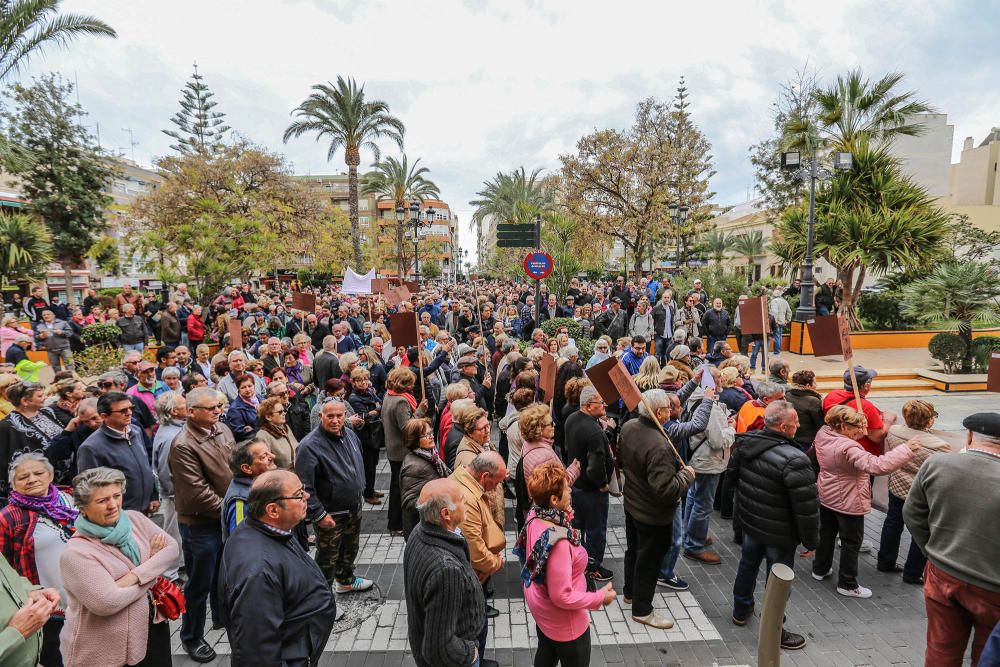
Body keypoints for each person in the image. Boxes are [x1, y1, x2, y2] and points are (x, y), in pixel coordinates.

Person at [904, 412, 1000, 666]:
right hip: (992, 584)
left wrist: (932, 550)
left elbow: (912, 512)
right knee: (988, 653)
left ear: (969, 436)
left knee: (941, 649)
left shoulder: (937, 464)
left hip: (942, 572)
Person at [59, 467, 179, 667]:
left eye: (116, 496)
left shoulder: (134, 519)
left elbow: (172, 549)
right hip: (109, 649)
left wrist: (133, 577)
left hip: (152, 627)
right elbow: (107, 602)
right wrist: (151, 564)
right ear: (82, 508)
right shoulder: (76, 554)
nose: (113, 505)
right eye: (102, 500)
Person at [725, 400, 817, 649]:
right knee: (778, 580)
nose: (799, 425)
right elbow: (806, 508)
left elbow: (730, 480)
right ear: (784, 427)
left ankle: (740, 610)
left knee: (748, 564)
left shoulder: (745, 443)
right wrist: (810, 541)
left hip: (751, 522)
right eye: (795, 421)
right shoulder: (796, 459)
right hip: (780, 532)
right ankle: (774, 629)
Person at [218, 469, 335, 665]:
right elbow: (257, 651)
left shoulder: (270, 530)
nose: (306, 496)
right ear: (273, 510)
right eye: (299, 494)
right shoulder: (258, 571)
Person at [811, 405, 916, 598]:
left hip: (827, 494)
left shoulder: (824, 434)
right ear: (842, 426)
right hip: (849, 500)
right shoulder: (848, 447)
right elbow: (877, 465)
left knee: (826, 534)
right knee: (851, 542)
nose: (861, 431)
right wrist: (905, 450)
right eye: (856, 427)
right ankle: (847, 584)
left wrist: (857, 432)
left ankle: (820, 569)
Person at [517, 462, 615, 667]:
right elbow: (561, 595)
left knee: (546, 653)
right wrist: (598, 598)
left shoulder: (536, 514)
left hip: (542, 611)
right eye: (566, 488)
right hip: (566, 624)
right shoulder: (559, 544)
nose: (570, 490)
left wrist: (564, 518)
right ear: (554, 499)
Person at [617, 389, 694, 629]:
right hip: (653, 514)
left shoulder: (629, 427)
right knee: (648, 561)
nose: (671, 412)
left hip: (633, 504)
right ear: (659, 412)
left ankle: (630, 593)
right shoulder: (659, 445)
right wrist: (686, 476)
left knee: (634, 552)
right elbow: (665, 490)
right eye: (669, 409)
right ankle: (642, 609)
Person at [169, 387, 235, 663]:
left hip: (223, 519)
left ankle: (222, 618)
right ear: (191, 412)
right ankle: (191, 636)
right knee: (198, 584)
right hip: (200, 526)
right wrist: (232, 511)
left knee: (224, 575)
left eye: (218, 406)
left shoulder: (221, 429)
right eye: (211, 408)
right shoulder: (183, 444)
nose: (217, 411)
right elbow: (197, 493)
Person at [0, 453, 76, 667]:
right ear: (13, 485)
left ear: (51, 475)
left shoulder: (70, 499)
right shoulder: (9, 517)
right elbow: (4, 568)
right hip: (51, 606)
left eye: (38, 473)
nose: (32, 479)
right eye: (23, 477)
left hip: (87, 598)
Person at [404, 478, 488, 667]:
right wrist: (470, 653)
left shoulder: (419, 531)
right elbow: (438, 649)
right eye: (460, 499)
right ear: (445, 514)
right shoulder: (446, 569)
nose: (466, 500)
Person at [295, 399, 373, 593]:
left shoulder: (350, 435)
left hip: (353, 507)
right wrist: (319, 515)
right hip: (331, 513)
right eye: (330, 416)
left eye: (339, 415)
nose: (335, 420)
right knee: (327, 558)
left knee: (350, 549)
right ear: (321, 416)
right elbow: (304, 487)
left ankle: (346, 580)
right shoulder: (309, 446)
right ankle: (322, 597)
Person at [877, 399, 952, 584]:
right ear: (929, 420)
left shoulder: (894, 432)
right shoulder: (939, 446)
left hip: (897, 484)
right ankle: (912, 572)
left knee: (893, 522)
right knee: (921, 529)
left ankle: (885, 561)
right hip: (921, 492)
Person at [451, 452, 507, 662]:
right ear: (484, 476)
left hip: (472, 575)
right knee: (475, 629)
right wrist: (496, 562)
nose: (497, 487)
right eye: (497, 482)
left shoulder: (463, 477)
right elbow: (475, 553)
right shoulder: (468, 497)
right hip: (473, 577)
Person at [77, 391, 159, 514]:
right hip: (119, 515)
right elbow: (90, 490)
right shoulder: (91, 448)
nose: (129, 413)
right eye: (123, 411)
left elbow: (146, 466)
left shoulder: (136, 431)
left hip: (143, 510)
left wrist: (152, 495)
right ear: (104, 416)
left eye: (131, 408)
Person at [565, 385, 615, 583]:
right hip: (592, 491)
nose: (604, 405)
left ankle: (576, 562)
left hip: (575, 485)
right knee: (595, 531)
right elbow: (595, 466)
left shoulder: (571, 418)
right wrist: (602, 483)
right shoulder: (594, 431)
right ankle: (593, 567)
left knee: (577, 528)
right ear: (587, 406)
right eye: (599, 403)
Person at [0, 383, 71, 504]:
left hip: (66, 474)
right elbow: (6, 460)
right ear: (25, 401)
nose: (45, 397)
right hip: (38, 485)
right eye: (40, 395)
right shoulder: (7, 426)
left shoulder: (46, 412)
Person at [382, 367, 427, 532]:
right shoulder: (401, 400)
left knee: (396, 486)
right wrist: (421, 411)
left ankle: (394, 522)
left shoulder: (389, 395)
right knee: (399, 489)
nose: (413, 386)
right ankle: (398, 523)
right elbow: (407, 427)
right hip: (401, 451)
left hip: (394, 449)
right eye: (410, 383)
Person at [151, 391, 186, 581]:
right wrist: (174, 494)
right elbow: (165, 471)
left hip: (178, 493)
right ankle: (171, 574)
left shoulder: (176, 429)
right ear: (174, 412)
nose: (188, 406)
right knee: (172, 533)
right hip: (173, 495)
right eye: (183, 405)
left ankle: (180, 565)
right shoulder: (169, 437)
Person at [399, 418, 451, 538]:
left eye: (431, 432)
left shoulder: (431, 455)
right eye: (426, 435)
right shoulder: (414, 466)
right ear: (415, 440)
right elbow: (408, 502)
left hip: (430, 524)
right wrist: (437, 502)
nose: (431, 436)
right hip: (421, 529)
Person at [221, 439, 277, 540]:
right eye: (264, 456)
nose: (273, 456)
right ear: (247, 468)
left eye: (270, 452)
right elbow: (240, 542)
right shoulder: (241, 502)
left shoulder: (261, 485)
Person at [784, 370, 824, 453]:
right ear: (808, 385)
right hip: (807, 443)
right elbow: (821, 425)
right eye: (815, 383)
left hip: (789, 439)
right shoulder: (813, 401)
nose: (816, 385)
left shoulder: (787, 395)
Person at [255, 396, 298, 470]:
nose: (284, 413)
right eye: (280, 412)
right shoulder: (262, 436)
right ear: (268, 417)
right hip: (280, 478)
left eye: (284, 410)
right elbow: (266, 466)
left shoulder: (285, 427)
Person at [225, 374, 259, 443]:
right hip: (251, 443)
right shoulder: (235, 409)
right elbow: (240, 434)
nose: (247, 389)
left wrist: (253, 428)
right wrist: (257, 430)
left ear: (254, 386)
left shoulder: (260, 399)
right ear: (238, 389)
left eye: (250, 386)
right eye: (243, 387)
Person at [769, 289, 792, 354]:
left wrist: (775, 321)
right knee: (779, 336)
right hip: (782, 321)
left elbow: (774, 312)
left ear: (773, 295)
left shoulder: (774, 301)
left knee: (776, 337)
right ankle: (778, 351)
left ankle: (777, 352)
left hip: (777, 322)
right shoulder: (784, 301)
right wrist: (787, 320)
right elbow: (789, 312)